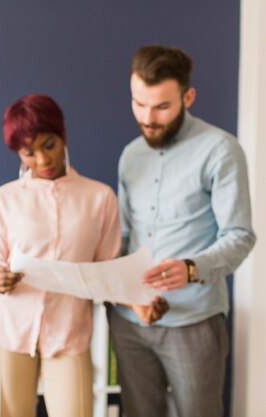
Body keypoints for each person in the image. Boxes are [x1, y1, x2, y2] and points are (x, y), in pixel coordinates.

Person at [108, 45, 256, 417]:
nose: (148, 118)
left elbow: (240, 235)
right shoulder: (130, 156)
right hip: (132, 323)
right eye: (138, 104)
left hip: (195, 321)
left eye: (161, 107)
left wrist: (191, 268)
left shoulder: (220, 150)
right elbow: (125, 238)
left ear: (188, 97)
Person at [0, 94, 126, 417]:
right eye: (29, 152)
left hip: (70, 333)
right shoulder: (4, 199)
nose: (42, 160)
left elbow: (108, 271)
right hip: (12, 331)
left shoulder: (100, 198)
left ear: (63, 136)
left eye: (49, 145)